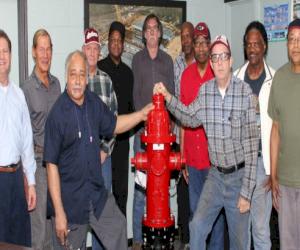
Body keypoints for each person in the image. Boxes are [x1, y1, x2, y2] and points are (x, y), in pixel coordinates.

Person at [154, 35, 259, 250]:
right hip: (216, 176)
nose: (219, 62)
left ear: (231, 61)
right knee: (198, 226)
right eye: (215, 58)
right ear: (210, 63)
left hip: (238, 178)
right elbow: (189, 116)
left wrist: (246, 194)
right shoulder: (206, 91)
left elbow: (251, 147)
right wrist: (167, 97)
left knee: (239, 243)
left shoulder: (244, 93)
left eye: (224, 57)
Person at [44, 50, 152, 250]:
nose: (77, 80)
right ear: (67, 77)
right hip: (70, 203)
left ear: (87, 79)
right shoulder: (57, 115)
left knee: (118, 226)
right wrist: (59, 213)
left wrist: (141, 115)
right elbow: (51, 166)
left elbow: (114, 124)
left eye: (81, 75)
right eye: (72, 74)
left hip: (95, 196)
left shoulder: (93, 102)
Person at [132, 13, 175, 249]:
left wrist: (168, 130)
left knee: (162, 188)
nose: (151, 32)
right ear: (144, 34)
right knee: (141, 191)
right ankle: (138, 241)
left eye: (154, 28)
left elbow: (173, 96)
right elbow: (135, 95)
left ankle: (164, 238)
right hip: (143, 136)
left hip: (164, 138)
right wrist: (145, 121)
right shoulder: (137, 60)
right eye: (147, 29)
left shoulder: (168, 61)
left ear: (160, 33)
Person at [180, 22, 224, 249]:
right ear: (193, 47)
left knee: (215, 215)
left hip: (214, 160)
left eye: (204, 43)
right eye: (196, 43)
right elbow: (183, 119)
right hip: (193, 161)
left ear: (210, 45)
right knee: (196, 213)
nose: (200, 48)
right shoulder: (186, 76)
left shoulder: (218, 74)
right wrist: (182, 157)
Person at [234, 21, 275, 250]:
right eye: (248, 44)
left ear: (265, 46)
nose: (252, 48)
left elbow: (279, 128)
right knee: (241, 230)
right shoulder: (236, 78)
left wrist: (273, 171)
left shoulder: (274, 79)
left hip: (262, 166)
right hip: (240, 165)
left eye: (256, 43)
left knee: (260, 229)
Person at [22, 29, 61, 250]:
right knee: (40, 232)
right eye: (41, 49)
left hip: (58, 164)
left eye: (49, 49)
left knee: (59, 225)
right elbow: (23, 137)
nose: (45, 54)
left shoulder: (57, 85)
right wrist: (28, 180)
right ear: (34, 52)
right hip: (37, 165)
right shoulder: (25, 89)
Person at [0, 29, 36, 247]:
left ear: (11, 56)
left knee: (17, 243)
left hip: (15, 181)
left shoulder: (18, 95)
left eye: (5, 51)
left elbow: (27, 143)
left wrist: (31, 183)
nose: (1, 56)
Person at [268, 18, 300, 250]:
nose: (295, 45)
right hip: (286, 182)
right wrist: (273, 176)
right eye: (291, 40)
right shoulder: (279, 78)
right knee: (288, 244)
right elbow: (275, 131)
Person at [98, 21, 134, 217]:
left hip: (121, 144)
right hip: (102, 143)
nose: (116, 44)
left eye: (119, 41)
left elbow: (131, 109)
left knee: (121, 193)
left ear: (123, 44)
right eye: (113, 40)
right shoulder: (99, 69)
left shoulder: (129, 74)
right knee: (103, 195)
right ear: (108, 42)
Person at [82, 27, 117, 192]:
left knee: (104, 208)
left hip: (103, 157)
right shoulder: (75, 81)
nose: (92, 53)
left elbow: (114, 121)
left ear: (99, 52)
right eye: (89, 48)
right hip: (80, 157)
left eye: (95, 49)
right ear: (84, 50)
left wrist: (104, 151)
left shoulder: (106, 81)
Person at [173, 21, 194, 248]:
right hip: (180, 135)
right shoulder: (175, 63)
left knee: (200, 192)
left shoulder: (204, 64)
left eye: (189, 36)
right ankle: (186, 239)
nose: (186, 39)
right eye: (183, 36)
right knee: (182, 193)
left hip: (200, 139)